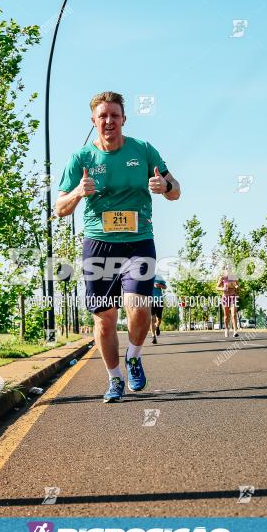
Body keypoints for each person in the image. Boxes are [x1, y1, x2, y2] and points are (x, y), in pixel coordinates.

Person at [55, 92, 181, 403]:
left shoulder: (143, 150)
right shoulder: (81, 159)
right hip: (98, 245)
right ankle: (114, 379)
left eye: (115, 115)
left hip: (138, 242)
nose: (109, 121)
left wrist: (164, 187)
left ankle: (134, 356)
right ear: (94, 121)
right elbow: (59, 208)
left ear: (124, 119)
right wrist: (78, 192)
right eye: (103, 116)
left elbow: (176, 190)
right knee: (104, 317)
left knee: (139, 307)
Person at [217, 267, 241, 338]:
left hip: (233, 296)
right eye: (227, 269)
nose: (229, 270)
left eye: (229, 269)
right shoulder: (222, 278)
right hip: (225, 297)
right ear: (224, 270)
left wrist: (237, 287)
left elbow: (238, 287)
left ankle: (235, 331)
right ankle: (226, 329)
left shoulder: (234, 277)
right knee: (226, 316)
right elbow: (217, 287)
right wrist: (223, 288)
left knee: (234, 314)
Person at [150, 274, 167, 344]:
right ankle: (153, 336)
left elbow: (165, 287)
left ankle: (157, 327)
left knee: (159, 319)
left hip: (159, 300)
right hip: (150, 300)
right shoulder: (145, 279)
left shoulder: (159, 277)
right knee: (152, 319)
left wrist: (159, 286)